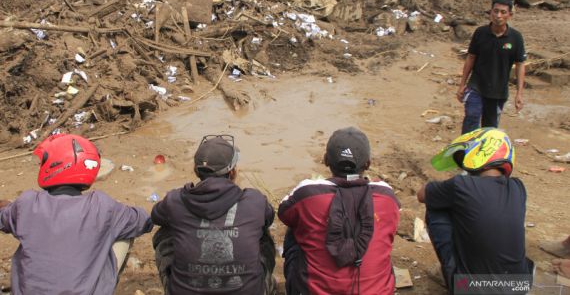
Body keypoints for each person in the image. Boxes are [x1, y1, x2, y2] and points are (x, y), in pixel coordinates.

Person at [0, 134, 153, 295]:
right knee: (123, 231)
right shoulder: (101, 206)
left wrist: (11, 207)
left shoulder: (26, 204)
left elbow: (3, 219)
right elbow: (143, 222)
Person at [279, 127, 400, 295]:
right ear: (368, 164)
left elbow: (283, 213)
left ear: (326, 159)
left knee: (295, 225)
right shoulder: (386, 196)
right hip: (377, 291)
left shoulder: (308, 192)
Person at [151, 135, 276, 295]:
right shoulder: (255, 200)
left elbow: (155, 216)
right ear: (233, 172)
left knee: (165, 231)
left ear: (196, 171)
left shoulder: (175, 200)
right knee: (262, 231)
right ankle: (265, 284)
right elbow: (269, 217)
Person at [418, 128, 534, 294]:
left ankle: (454, 275)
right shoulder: (518, 187)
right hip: (519, 286)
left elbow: (422, 195)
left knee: (435, 206)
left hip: (471, 289)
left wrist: (449, 187)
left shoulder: (460, 185)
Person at [457, 0, 526, 134]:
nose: (498, 16)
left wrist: (519, 93)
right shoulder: (480, 33)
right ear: (490, 12)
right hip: (476, 86)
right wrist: (462, 84)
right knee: (471, 118)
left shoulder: (516, 38)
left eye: (503, 12)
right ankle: (466, 152)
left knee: (489, 130)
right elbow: (471, 57)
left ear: (509, 15)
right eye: (495, 11)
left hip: (498, 91)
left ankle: (483, 155)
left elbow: (520, 65)